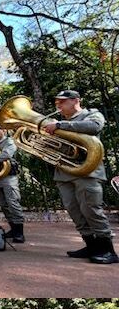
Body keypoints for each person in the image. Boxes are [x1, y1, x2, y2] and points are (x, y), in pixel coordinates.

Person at [44, 90, 115, 264]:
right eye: (57, 103)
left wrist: (60, 126)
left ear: (75, 100)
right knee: (75, 212)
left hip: (87, 171)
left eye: (62, 101)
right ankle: (91, 245)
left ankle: (108, 250)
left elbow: (94, 127)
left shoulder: (91, 114)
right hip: (64, 174)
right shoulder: (58, 123)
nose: (58, 105)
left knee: (91, 210)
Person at [0, 123, 25, 243]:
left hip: (9, 177)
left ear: (3, 130)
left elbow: (7, 154)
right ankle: (13, 229)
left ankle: (20, 233)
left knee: (13, 203)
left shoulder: (9, 141)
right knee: (3, 204)